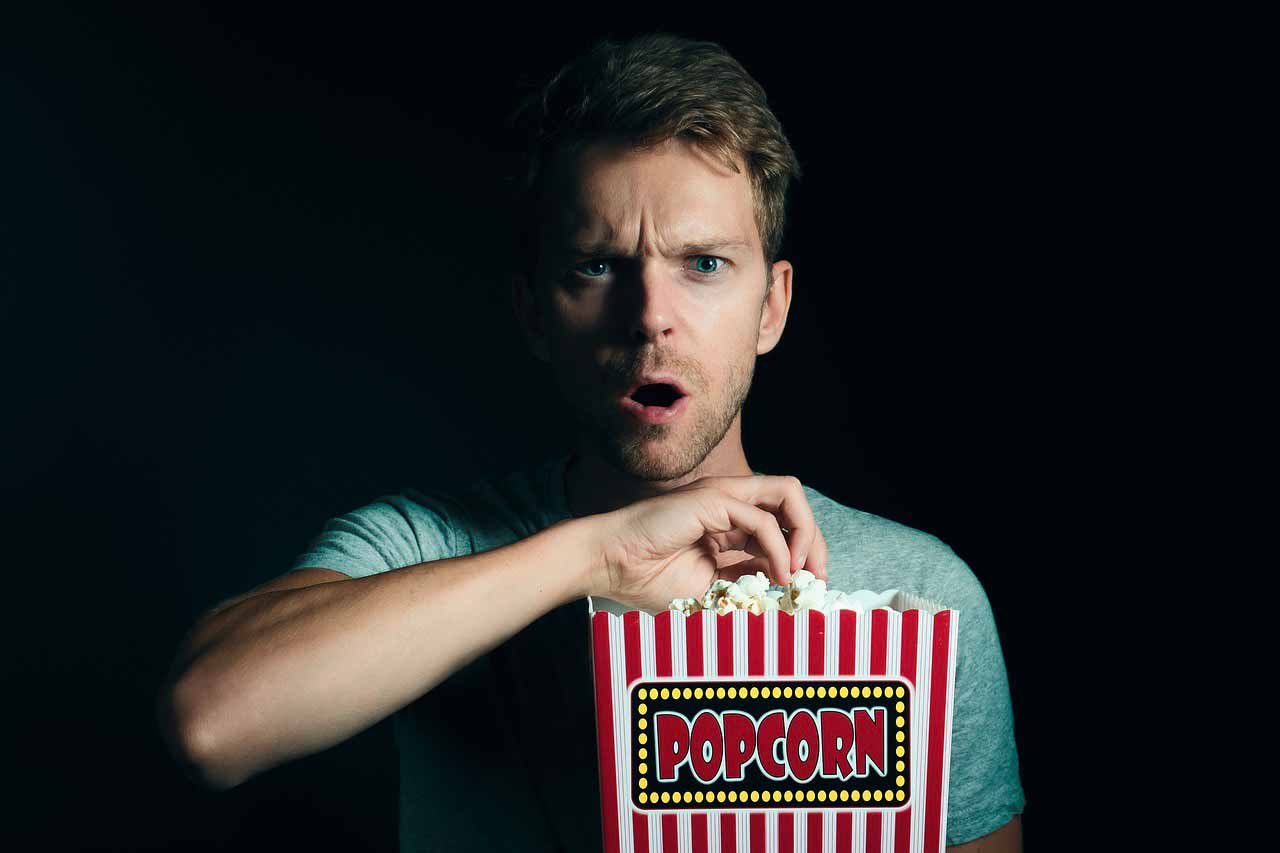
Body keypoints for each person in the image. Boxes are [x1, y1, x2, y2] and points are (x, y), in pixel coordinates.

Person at [157, 32, 1025, 852]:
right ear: (534, 312)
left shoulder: (921, 594)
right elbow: (212, 720)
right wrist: (594, 558)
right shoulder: (434, 545)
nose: (650, 318)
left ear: (773, 306)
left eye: (705, 264)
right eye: (598, 266)